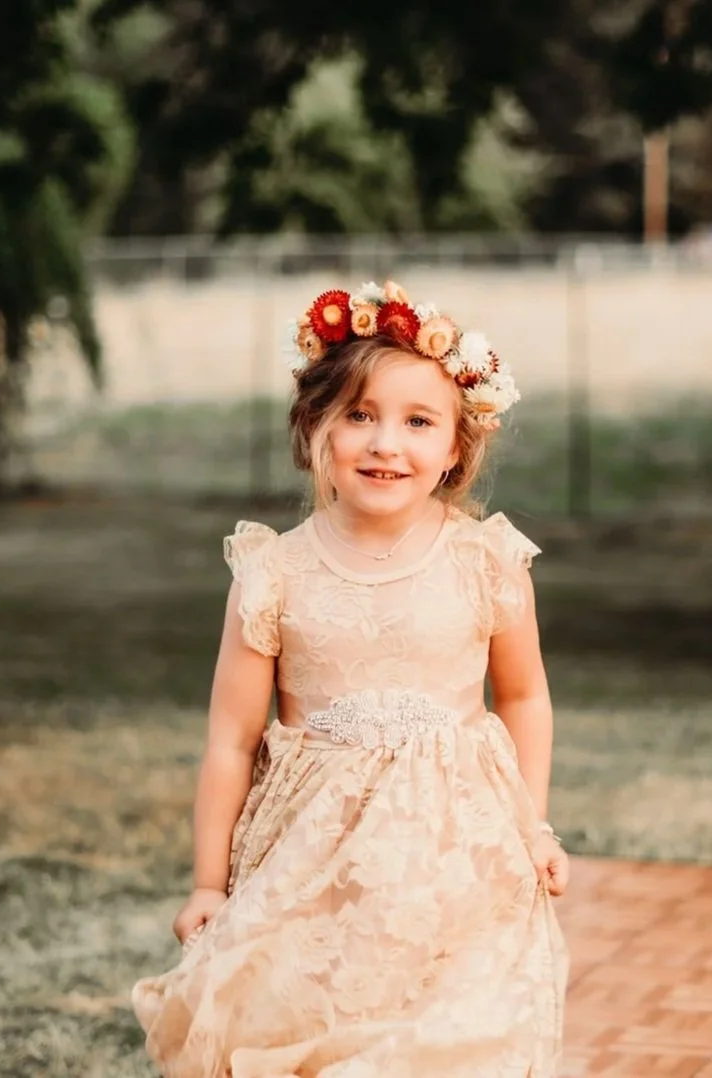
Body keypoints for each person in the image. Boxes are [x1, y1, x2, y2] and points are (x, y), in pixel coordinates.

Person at [132, 280, 570, 1077]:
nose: (385, 444)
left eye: (418, 422)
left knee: (445, 1035)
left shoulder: (486, 562)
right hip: (311, 854)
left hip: (458, 851)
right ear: (315, 429)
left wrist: (533, 827)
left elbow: (524, 696)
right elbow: (231, 739)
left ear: (457, 447)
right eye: (359, 416)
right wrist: (209, 884)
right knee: (312, 1022)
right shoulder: (274, 574)